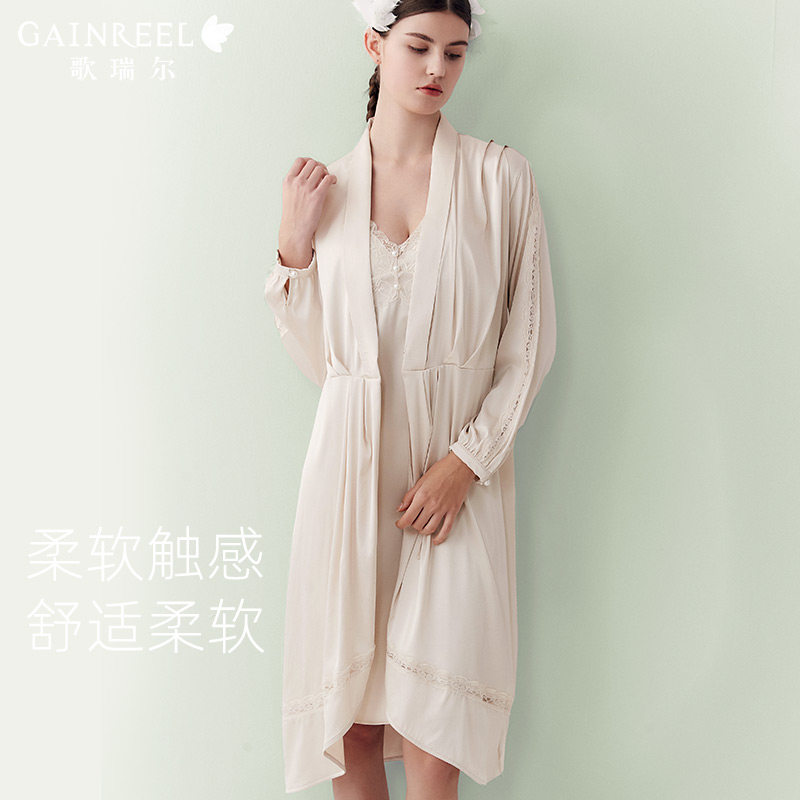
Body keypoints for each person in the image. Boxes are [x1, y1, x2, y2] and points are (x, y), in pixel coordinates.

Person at [264, 1, 557, 797]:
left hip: (456, 484)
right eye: (419, 47)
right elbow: (326, 363)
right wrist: (293, 247)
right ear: (375, 44)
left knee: (436, 725)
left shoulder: (500, 178)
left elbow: (528, 344)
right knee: (354, 724)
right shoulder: (328, 190)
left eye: (455, 54)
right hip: (350, 479)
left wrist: (466, 463)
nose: (437, 69)